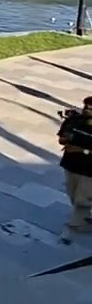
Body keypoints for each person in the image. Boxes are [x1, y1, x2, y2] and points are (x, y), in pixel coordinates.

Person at [58, 96, 92, 237]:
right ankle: (85, 216)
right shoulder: (74, 121)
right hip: (70, 165)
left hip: (89, 170)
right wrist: (66, 140)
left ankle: (73, 227)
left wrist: (80, 149)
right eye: (86, 107)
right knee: (72, 194)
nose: (87, 110)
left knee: (82, 199)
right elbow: (61, 139)